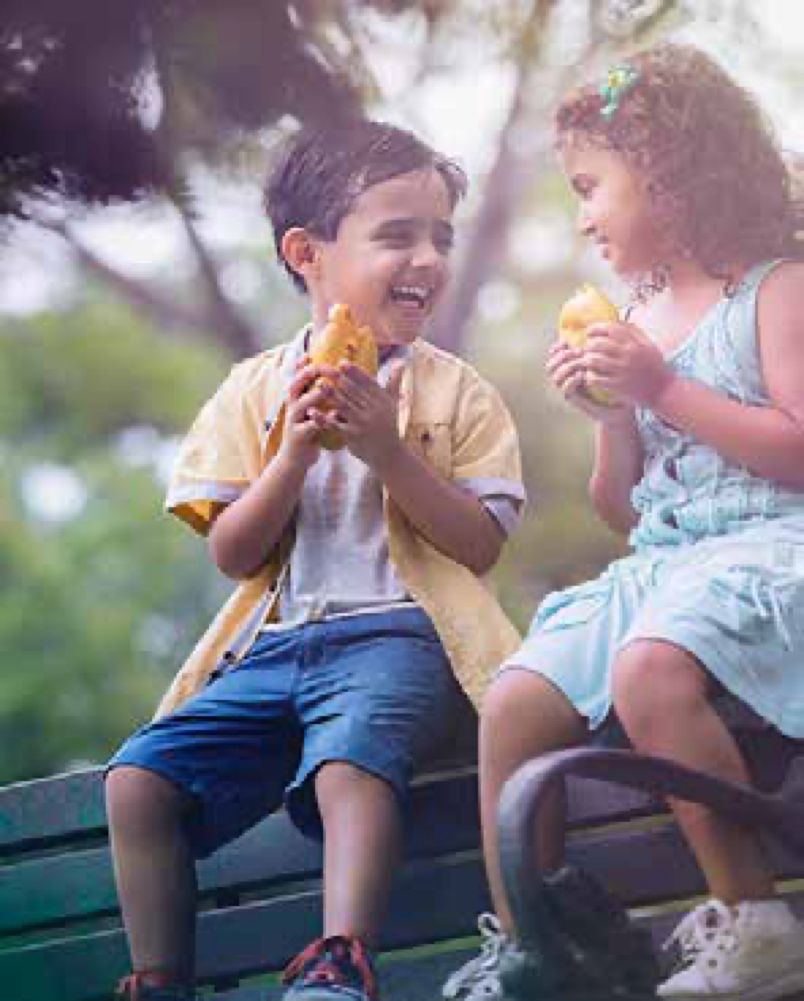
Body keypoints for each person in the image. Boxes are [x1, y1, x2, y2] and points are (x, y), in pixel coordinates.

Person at [105, 118, 525, 1001]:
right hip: (274, 648)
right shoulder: (253, 389)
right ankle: (159, 978)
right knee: (137, 780)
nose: (427, 258)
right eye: (397, 235)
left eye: (441, 237)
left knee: (347, 761)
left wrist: (387, 450)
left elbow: (479, 543)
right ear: (307, 253)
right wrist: (292, 455)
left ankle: (340, 960)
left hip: (399, 639)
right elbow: (233, 552)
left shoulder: (458, 391)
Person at [443, 42, 804, 1001]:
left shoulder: (777, 289)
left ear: (668, 173)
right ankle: (535, 946)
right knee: (516, 698)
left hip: (774, 547)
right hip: (668, 566)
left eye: (590, 187)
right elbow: (623, 511)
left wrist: (664, 388)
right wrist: (612, 417)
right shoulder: (638, 319)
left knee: (648, 665)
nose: (583, 217)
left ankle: (758, 919)